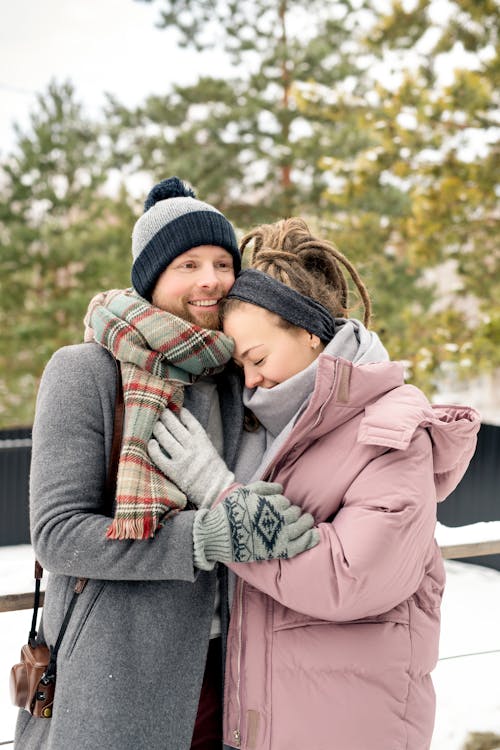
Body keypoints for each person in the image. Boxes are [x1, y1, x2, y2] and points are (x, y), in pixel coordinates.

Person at [148, 217, 481, 750]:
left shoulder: (390, 431)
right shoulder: (274, 424)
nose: (251, 381)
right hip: (269, 720)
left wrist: (219, 495)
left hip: (350, 723)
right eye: (241, 368)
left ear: (308, 332)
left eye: (257, 359)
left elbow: (349, 576)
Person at [15, 181, 317, 750]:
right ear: (152, 278)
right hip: (115, 679)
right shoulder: (85, 372)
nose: (211, 279)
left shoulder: (244, 376)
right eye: (189, 264)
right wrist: (201, 538)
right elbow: (57, 534)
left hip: (236, 672)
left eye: (224, 262)